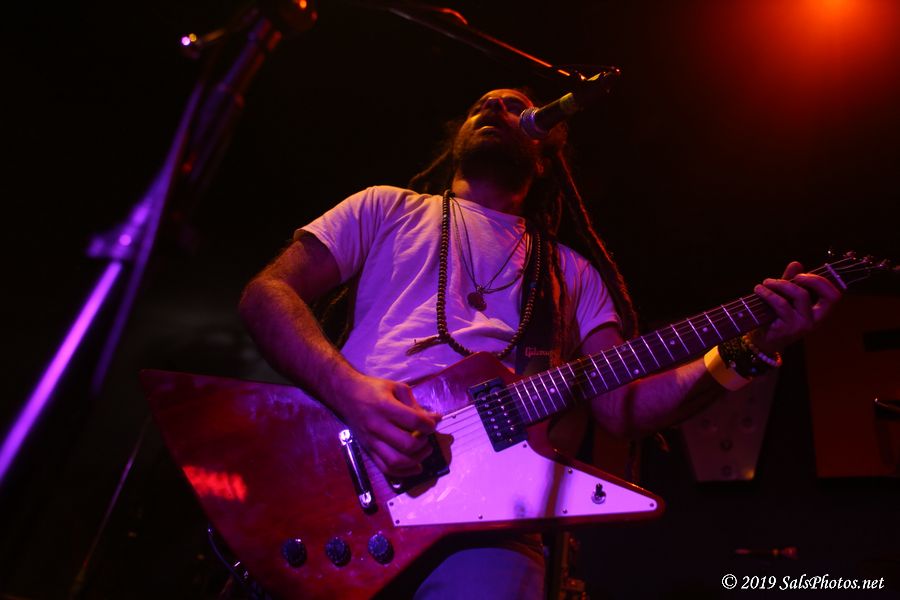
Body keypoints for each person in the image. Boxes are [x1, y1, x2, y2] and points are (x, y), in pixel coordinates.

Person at [238, 88, 842, 598]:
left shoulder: (572, 274)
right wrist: (351, 392)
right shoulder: (386, 208)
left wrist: (747, 349)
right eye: (483, 103)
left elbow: (624, 407)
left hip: (495, 526)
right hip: (349, 478)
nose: (495, 107)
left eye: (516, 105)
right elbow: (267, 293)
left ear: (546, 153)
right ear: (457, 138)